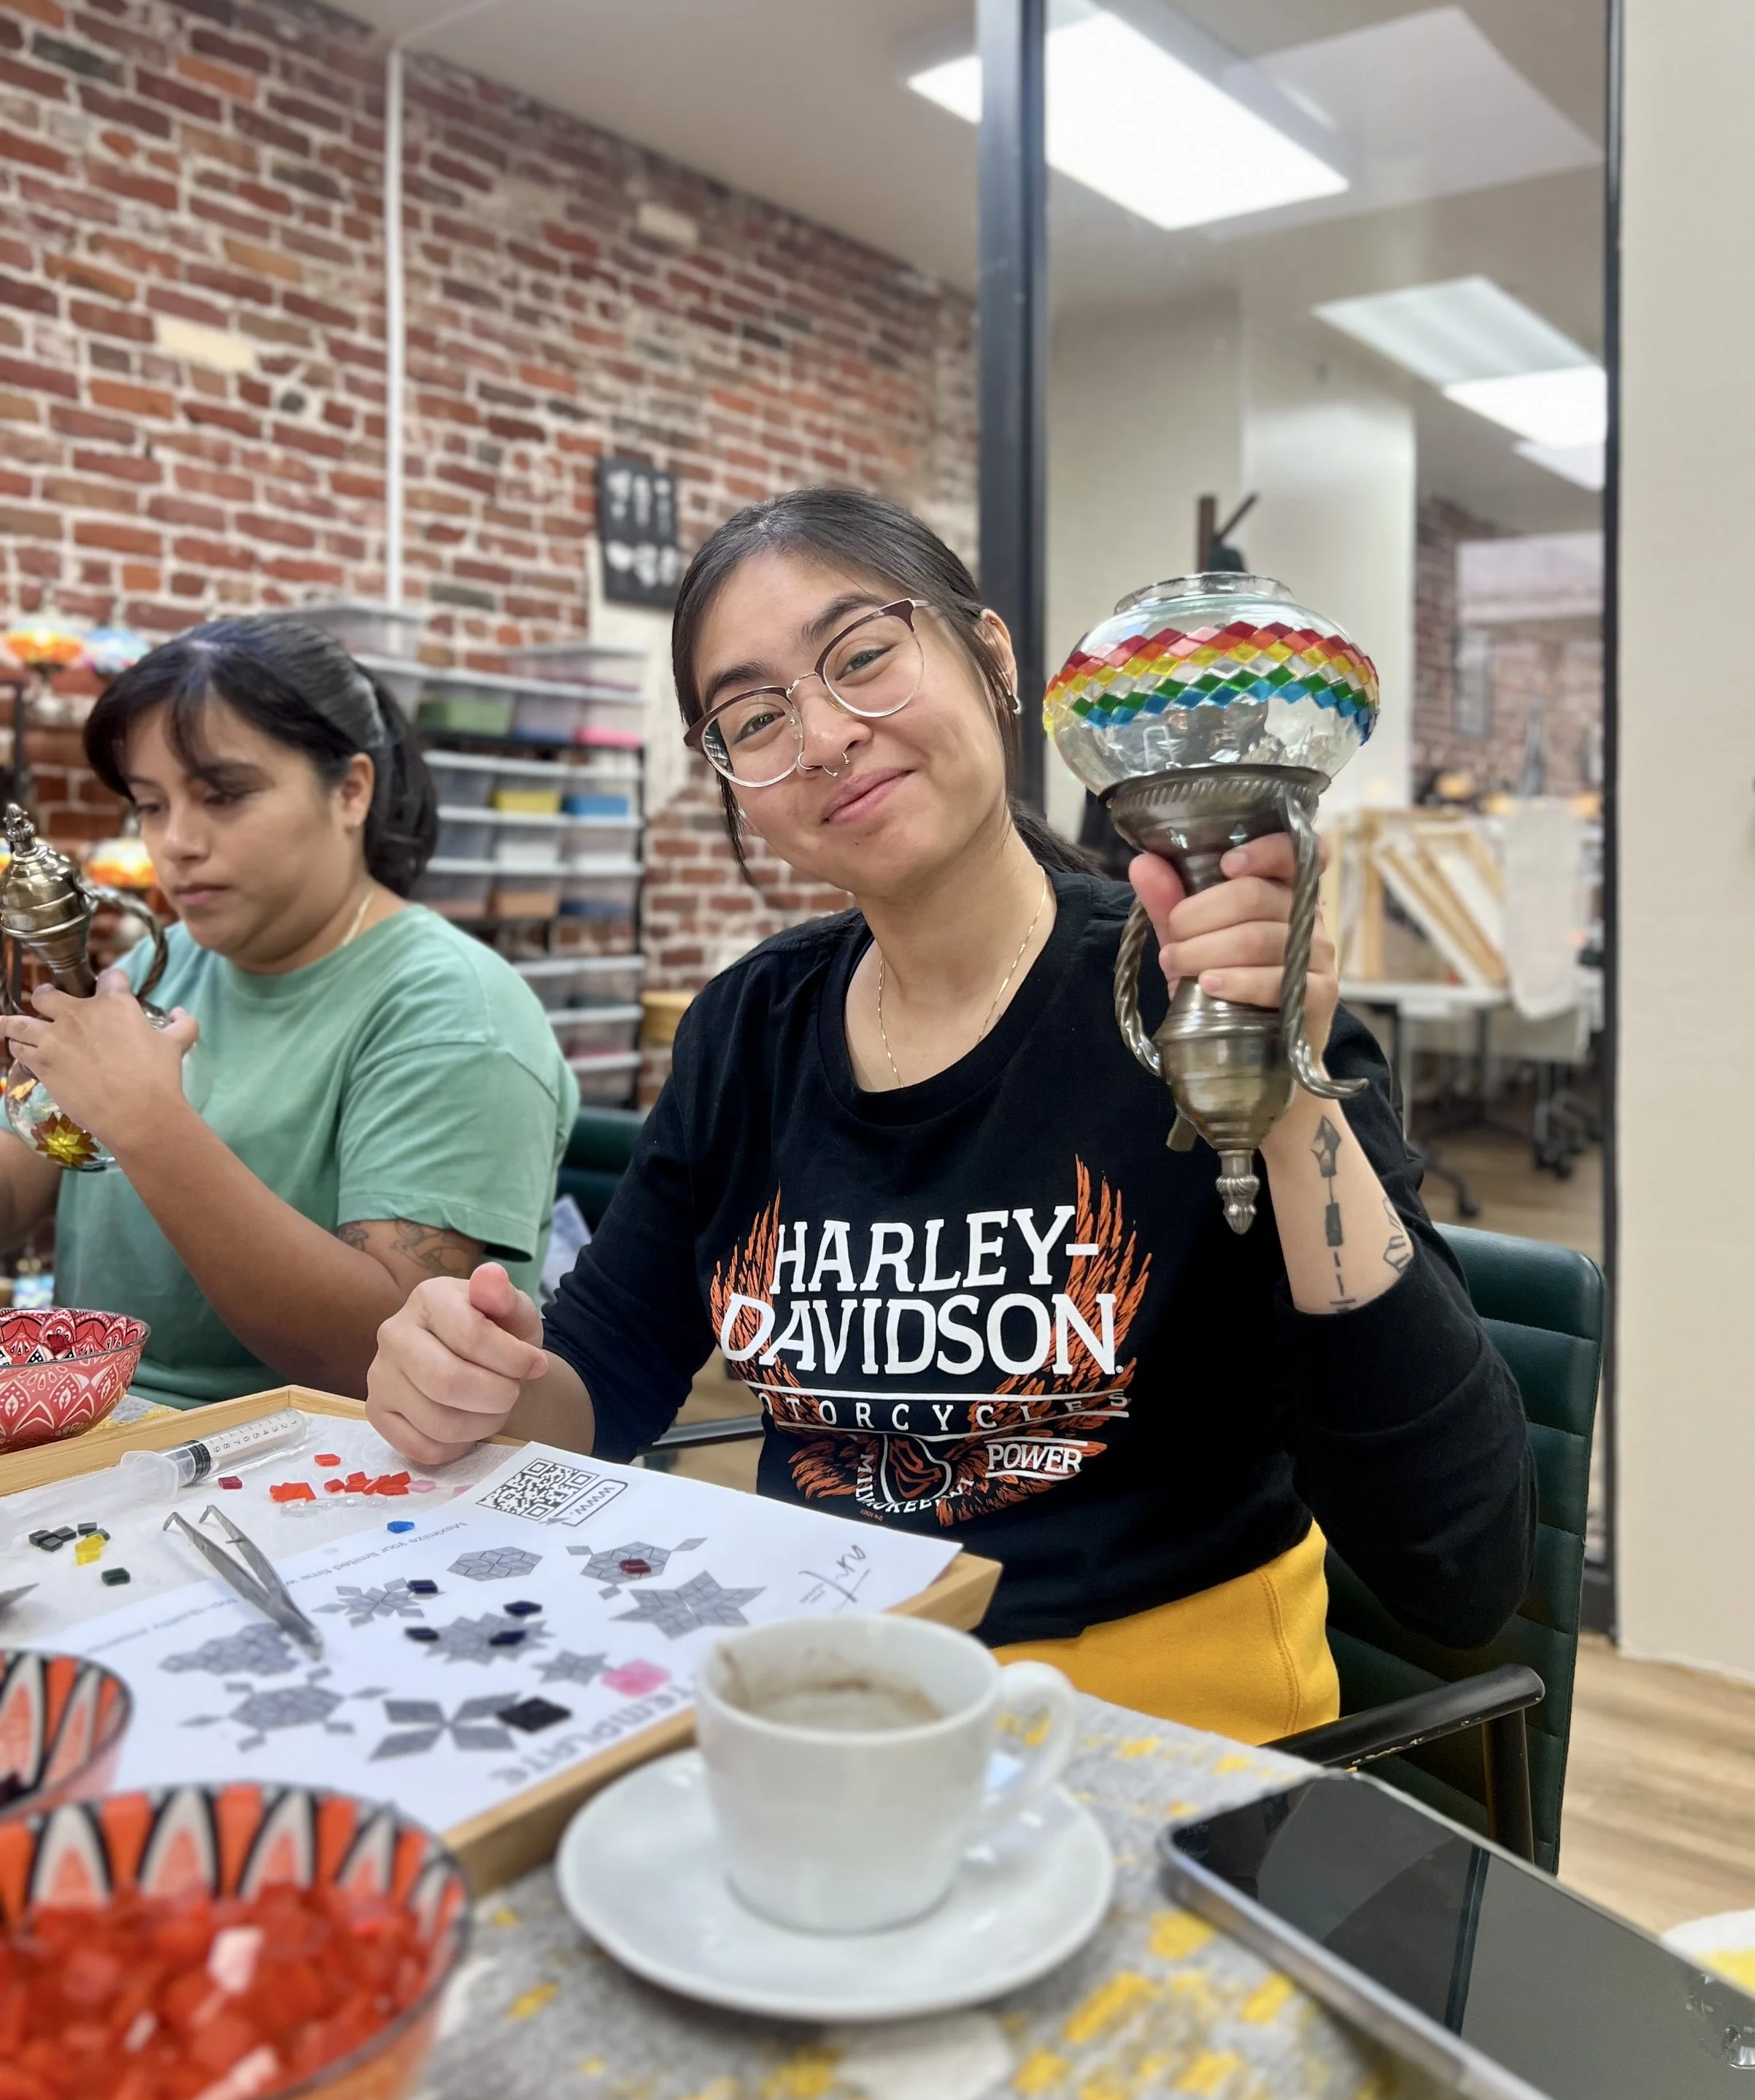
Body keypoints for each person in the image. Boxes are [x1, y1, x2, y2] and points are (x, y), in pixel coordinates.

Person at [366, 491, 1534, 1742]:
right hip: (826, 1699)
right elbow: (599, 1379)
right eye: (755, 717)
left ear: (991, 658)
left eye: (862, 656)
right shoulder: (745, 1034)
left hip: (1165, 1735)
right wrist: (472, 1380)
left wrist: (1284, 1090)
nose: (820, 735)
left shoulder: (1201, 999)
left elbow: (1456, 1566)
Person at [0, 617, 579, 1409]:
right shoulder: (155, 964)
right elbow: (15, 1191)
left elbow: (392, 1360)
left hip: (317, 1469)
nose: (177, 842)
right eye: (151, 805)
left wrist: (148, 1123)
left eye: (224, 795)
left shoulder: (453, 1009)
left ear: (350, 790)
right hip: (95, 1432)